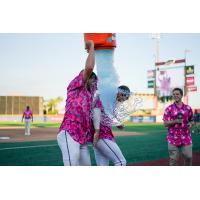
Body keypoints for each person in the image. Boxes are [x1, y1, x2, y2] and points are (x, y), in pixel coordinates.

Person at [57, 40, 97, 166]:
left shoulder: (90, 95)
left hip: (82, 138)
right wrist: (92, 48)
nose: (95, 84)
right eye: (93, 80)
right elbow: (89, 67)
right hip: (69, 133)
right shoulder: (75, 86)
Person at [91, 85, 130, 166]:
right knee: (121, 162)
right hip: (102, 135)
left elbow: (108, 116)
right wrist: (97, 132)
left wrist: (119, 124)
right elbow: (96, 113)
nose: (124, 100)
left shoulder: (111, 101)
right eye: (125, 97)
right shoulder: (106, 99)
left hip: (100, 135)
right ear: (120, 93)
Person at [163, 88, 194, 166]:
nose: (175, 95)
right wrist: (175, 121)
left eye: (177, 94)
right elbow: (165, 124)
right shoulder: (169, 109)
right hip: (173, 137)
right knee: (173, 160)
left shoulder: (188, 108)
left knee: (188, 157)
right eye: (174, 94)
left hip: (186, 136)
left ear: (181, 95)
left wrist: (191, 124)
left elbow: (192, 120)